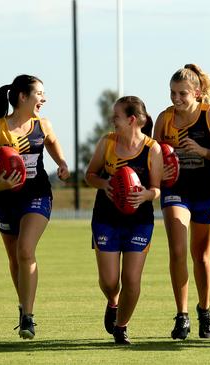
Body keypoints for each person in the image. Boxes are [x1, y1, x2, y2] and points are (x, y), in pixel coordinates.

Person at [0, 75, 69, 340]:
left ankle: (28, 317)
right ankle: (23, 305)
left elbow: (52, 144)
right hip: (5, 199)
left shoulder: (44, 124)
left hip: (37, 195)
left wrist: (62, 163)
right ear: (22, 97)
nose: (44, 98)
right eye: (39, 93)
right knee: (14, 258)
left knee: (25, 250)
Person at [153, 64, 210, 340]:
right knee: (177, 250)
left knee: (201, 256)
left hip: (207, 190)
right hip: (176, 189)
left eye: (182, 93)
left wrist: (202, 150)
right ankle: (181, 315)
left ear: (196, 93)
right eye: (173, 93)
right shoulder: (164, 118)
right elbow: (153, 155)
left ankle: (204, 311)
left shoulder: (209, 116)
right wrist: (164, 158)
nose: (176, 99)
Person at [85, 96, 162, 345]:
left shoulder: (153, 149)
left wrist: (146, 195)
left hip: (139, 221)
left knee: (131, 279)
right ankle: (112, 301)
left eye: (116, 116)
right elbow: (90, 175)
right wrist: (104, 183)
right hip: (106, 218)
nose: (112, 120)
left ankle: (122, 326)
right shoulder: (107, 143)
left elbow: (157, 189)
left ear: (131, 120)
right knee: (109, 281)